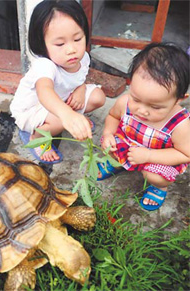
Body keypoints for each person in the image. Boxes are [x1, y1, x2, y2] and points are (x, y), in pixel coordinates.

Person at [10, 0, 106, 163]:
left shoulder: (82, 58)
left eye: (77, 39)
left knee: (98, 97)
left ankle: (67, 119)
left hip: (61, 102)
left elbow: (79, 79)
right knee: (59, 119)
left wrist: (81, 89)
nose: (71, 49)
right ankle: (36, 137)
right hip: (32, 110)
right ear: (43, 44)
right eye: (60, 44)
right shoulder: (45, 65)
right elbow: (45, 92)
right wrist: (68, 115)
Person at [98, 42, 190, 211]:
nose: (142, 111)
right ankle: (118, 163)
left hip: (157, 157)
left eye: (155, 107)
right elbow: (113, 116)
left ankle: (159, 188)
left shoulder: (180, 124)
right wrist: (109, 133)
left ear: (179, 99)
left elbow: (185, 153)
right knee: (109, 146)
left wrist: (148, 155)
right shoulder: (125, 102)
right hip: (128, 145)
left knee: (154, 175)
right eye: (136, 99)